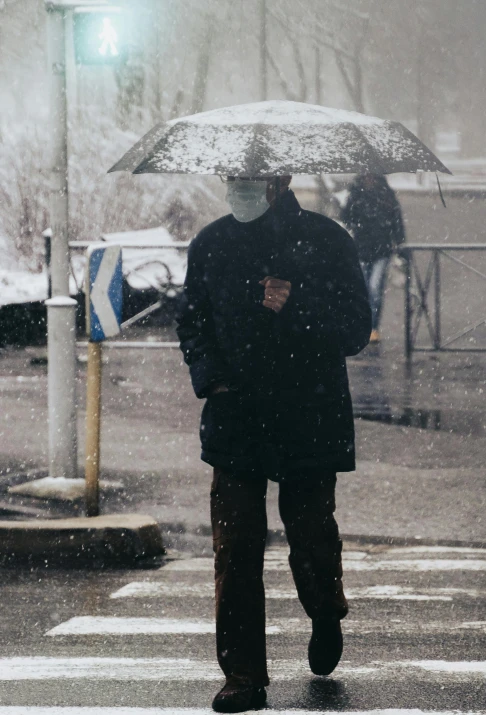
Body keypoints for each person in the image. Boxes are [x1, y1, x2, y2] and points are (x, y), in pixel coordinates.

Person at [176, 176, 371, 713]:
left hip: (306, 411)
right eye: (231, 179)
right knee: (234, 547)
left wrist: (295, 302)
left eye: (249, 179)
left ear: (279, 180)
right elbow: (192, 322)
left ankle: (325, 608)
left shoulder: (327, 240)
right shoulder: (211, 243)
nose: (238, 189)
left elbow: (356, 329)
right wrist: (212, 377)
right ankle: (242, 674)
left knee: (310, 533)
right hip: (236, 416)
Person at [340, 173, 405, 342]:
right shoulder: (355, 194)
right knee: (363, 291)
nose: (369, 179)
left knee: (375, 290)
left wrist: (401, 246)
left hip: (381, 250)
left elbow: (397, 222)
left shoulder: (386, 196)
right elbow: (346, 218)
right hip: (361, 249)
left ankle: (373, 327)